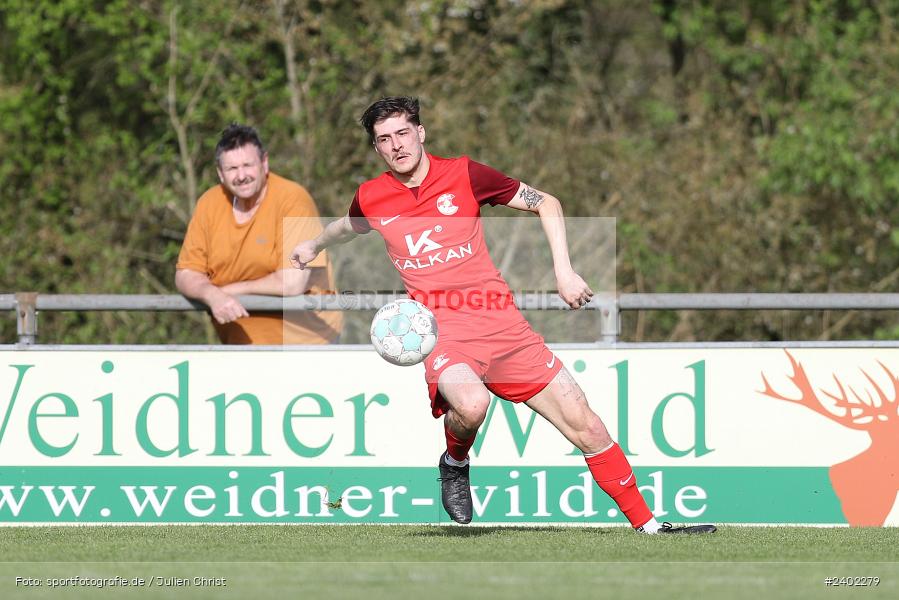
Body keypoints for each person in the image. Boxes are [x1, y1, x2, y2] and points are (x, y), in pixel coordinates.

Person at [289, 97, 715, 533]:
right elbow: (347, 225)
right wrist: (314, 245)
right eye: (384, 139)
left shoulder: (465, 174)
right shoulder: (373, 196)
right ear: (377, 149)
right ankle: (455, 462)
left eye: (402, 133)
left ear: (421, 132)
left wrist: (564, 272)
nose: (395, 145)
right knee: (473, 405)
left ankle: (649, 528)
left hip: (504, 326)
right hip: (443, 332)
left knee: (586, 425)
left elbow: (546, 202)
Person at [176, 123, 341, 344]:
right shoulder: (208, 203)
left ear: (264, 163)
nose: (241, 175)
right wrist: (212, 295)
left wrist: (229, 291)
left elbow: (292, 282)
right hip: (239, 347)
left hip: (306, 346)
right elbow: (186, 273)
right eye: (232, 168)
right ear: (220, 173)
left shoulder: (293, 198)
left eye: (247, 165)